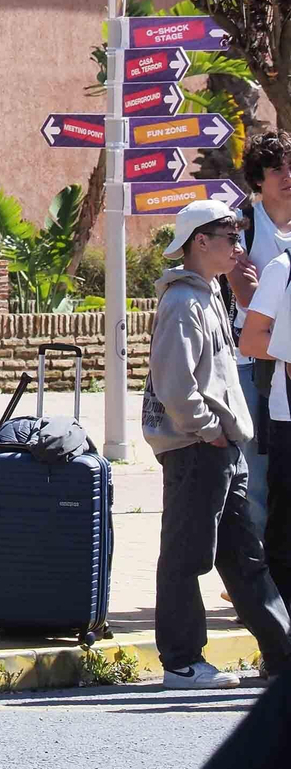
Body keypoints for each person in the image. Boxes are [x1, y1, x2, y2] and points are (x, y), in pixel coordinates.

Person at [145, 199, 291, 688]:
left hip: (221, 446)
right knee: (186, 556)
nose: (238, 246)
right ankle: (183, 663)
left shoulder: (208, 294)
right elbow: (174, 384)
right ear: (199, 242)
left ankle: (282, 653)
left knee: (245, 556)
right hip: (197, 448)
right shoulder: (183, 301)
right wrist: (207, 430)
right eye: (229, 237)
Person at [228, 131, 291, 522]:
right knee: (255, 474)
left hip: (286, 358)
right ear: (257, 179)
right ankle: (251, 578)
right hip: (253, 363)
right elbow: (248, 298)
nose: (287, 175)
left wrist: (266, 287)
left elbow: (258, 291)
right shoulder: (242, 226)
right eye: (276, 169)